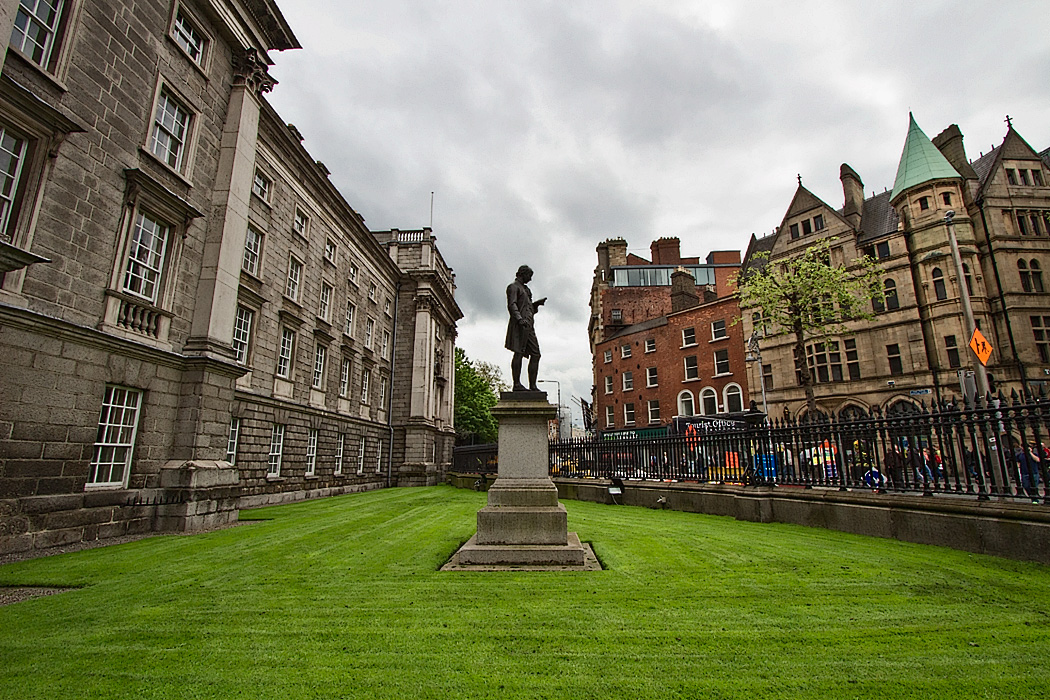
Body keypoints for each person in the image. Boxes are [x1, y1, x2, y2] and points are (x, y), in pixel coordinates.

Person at [505, 265, 546, 392]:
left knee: (536, 354)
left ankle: (532, 386)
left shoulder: (526, 290)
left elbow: (528, 308)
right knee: (519, 352)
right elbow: (512, 305)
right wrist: (519, 319)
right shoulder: (513, 287)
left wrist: (536, 305)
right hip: (519, 325)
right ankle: (516, 384)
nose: (530, 279)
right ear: (523, 274)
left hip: (529, 326)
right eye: (529, 276)